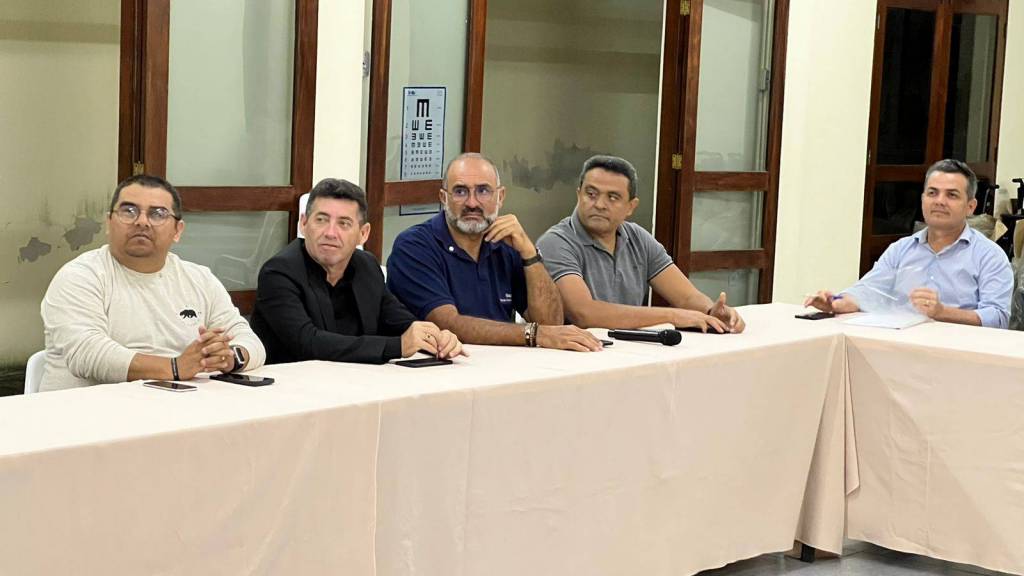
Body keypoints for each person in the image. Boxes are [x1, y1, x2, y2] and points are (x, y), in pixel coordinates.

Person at [40, 174, 265, 392]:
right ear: (109, 222)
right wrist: (175, 367)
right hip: (87, 411)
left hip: (177, 406)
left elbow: (250, 341)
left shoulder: (199, 278)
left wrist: (229, 357)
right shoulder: (80, 276)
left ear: (177, 230)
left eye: (158, 214)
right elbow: (87, 353)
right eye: (129, 211)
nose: (141, 222)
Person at [387, 153, 603, 351]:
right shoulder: (414, 246)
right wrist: (533, 334)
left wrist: (530, 254)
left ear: (500, 196)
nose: (472, 203)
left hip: (505, 366)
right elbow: (448, 324)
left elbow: (551, 324)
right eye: (460, 191)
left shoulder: (507, 243)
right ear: (444, 198)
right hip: (441, 367)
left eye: (483, 191)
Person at [251, 179, 464, 364]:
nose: (330, 233)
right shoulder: (278, 273)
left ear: (363, 233)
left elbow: (399, 321)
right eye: (321, 220)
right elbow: (308, 343)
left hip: (358, 384)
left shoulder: (366, 266)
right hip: (291, 390)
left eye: (343, 224)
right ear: (304, 224)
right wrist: (397, 346)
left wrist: (436, 337)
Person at [536, 155, 745, 333]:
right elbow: (583, 313)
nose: (599, 204)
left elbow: (686, 296)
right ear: (578, 194)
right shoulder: (556, 242)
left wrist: (711, 311)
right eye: (591, 194)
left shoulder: (638, 238)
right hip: (575, 357)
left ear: (631, 207)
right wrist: (673, 316)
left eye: (612, 197)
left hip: (631, 351)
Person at [805, 159, 1013, 328]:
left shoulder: (989, 256)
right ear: (923, 199)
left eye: (951, 195)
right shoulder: (900, 249)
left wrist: (942, 312)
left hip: (959, 353)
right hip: (900, 346)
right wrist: (834, 303)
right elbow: (868, 291)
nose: (939, 201)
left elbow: (998, 317)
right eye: (932, 193)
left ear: (970, 206)